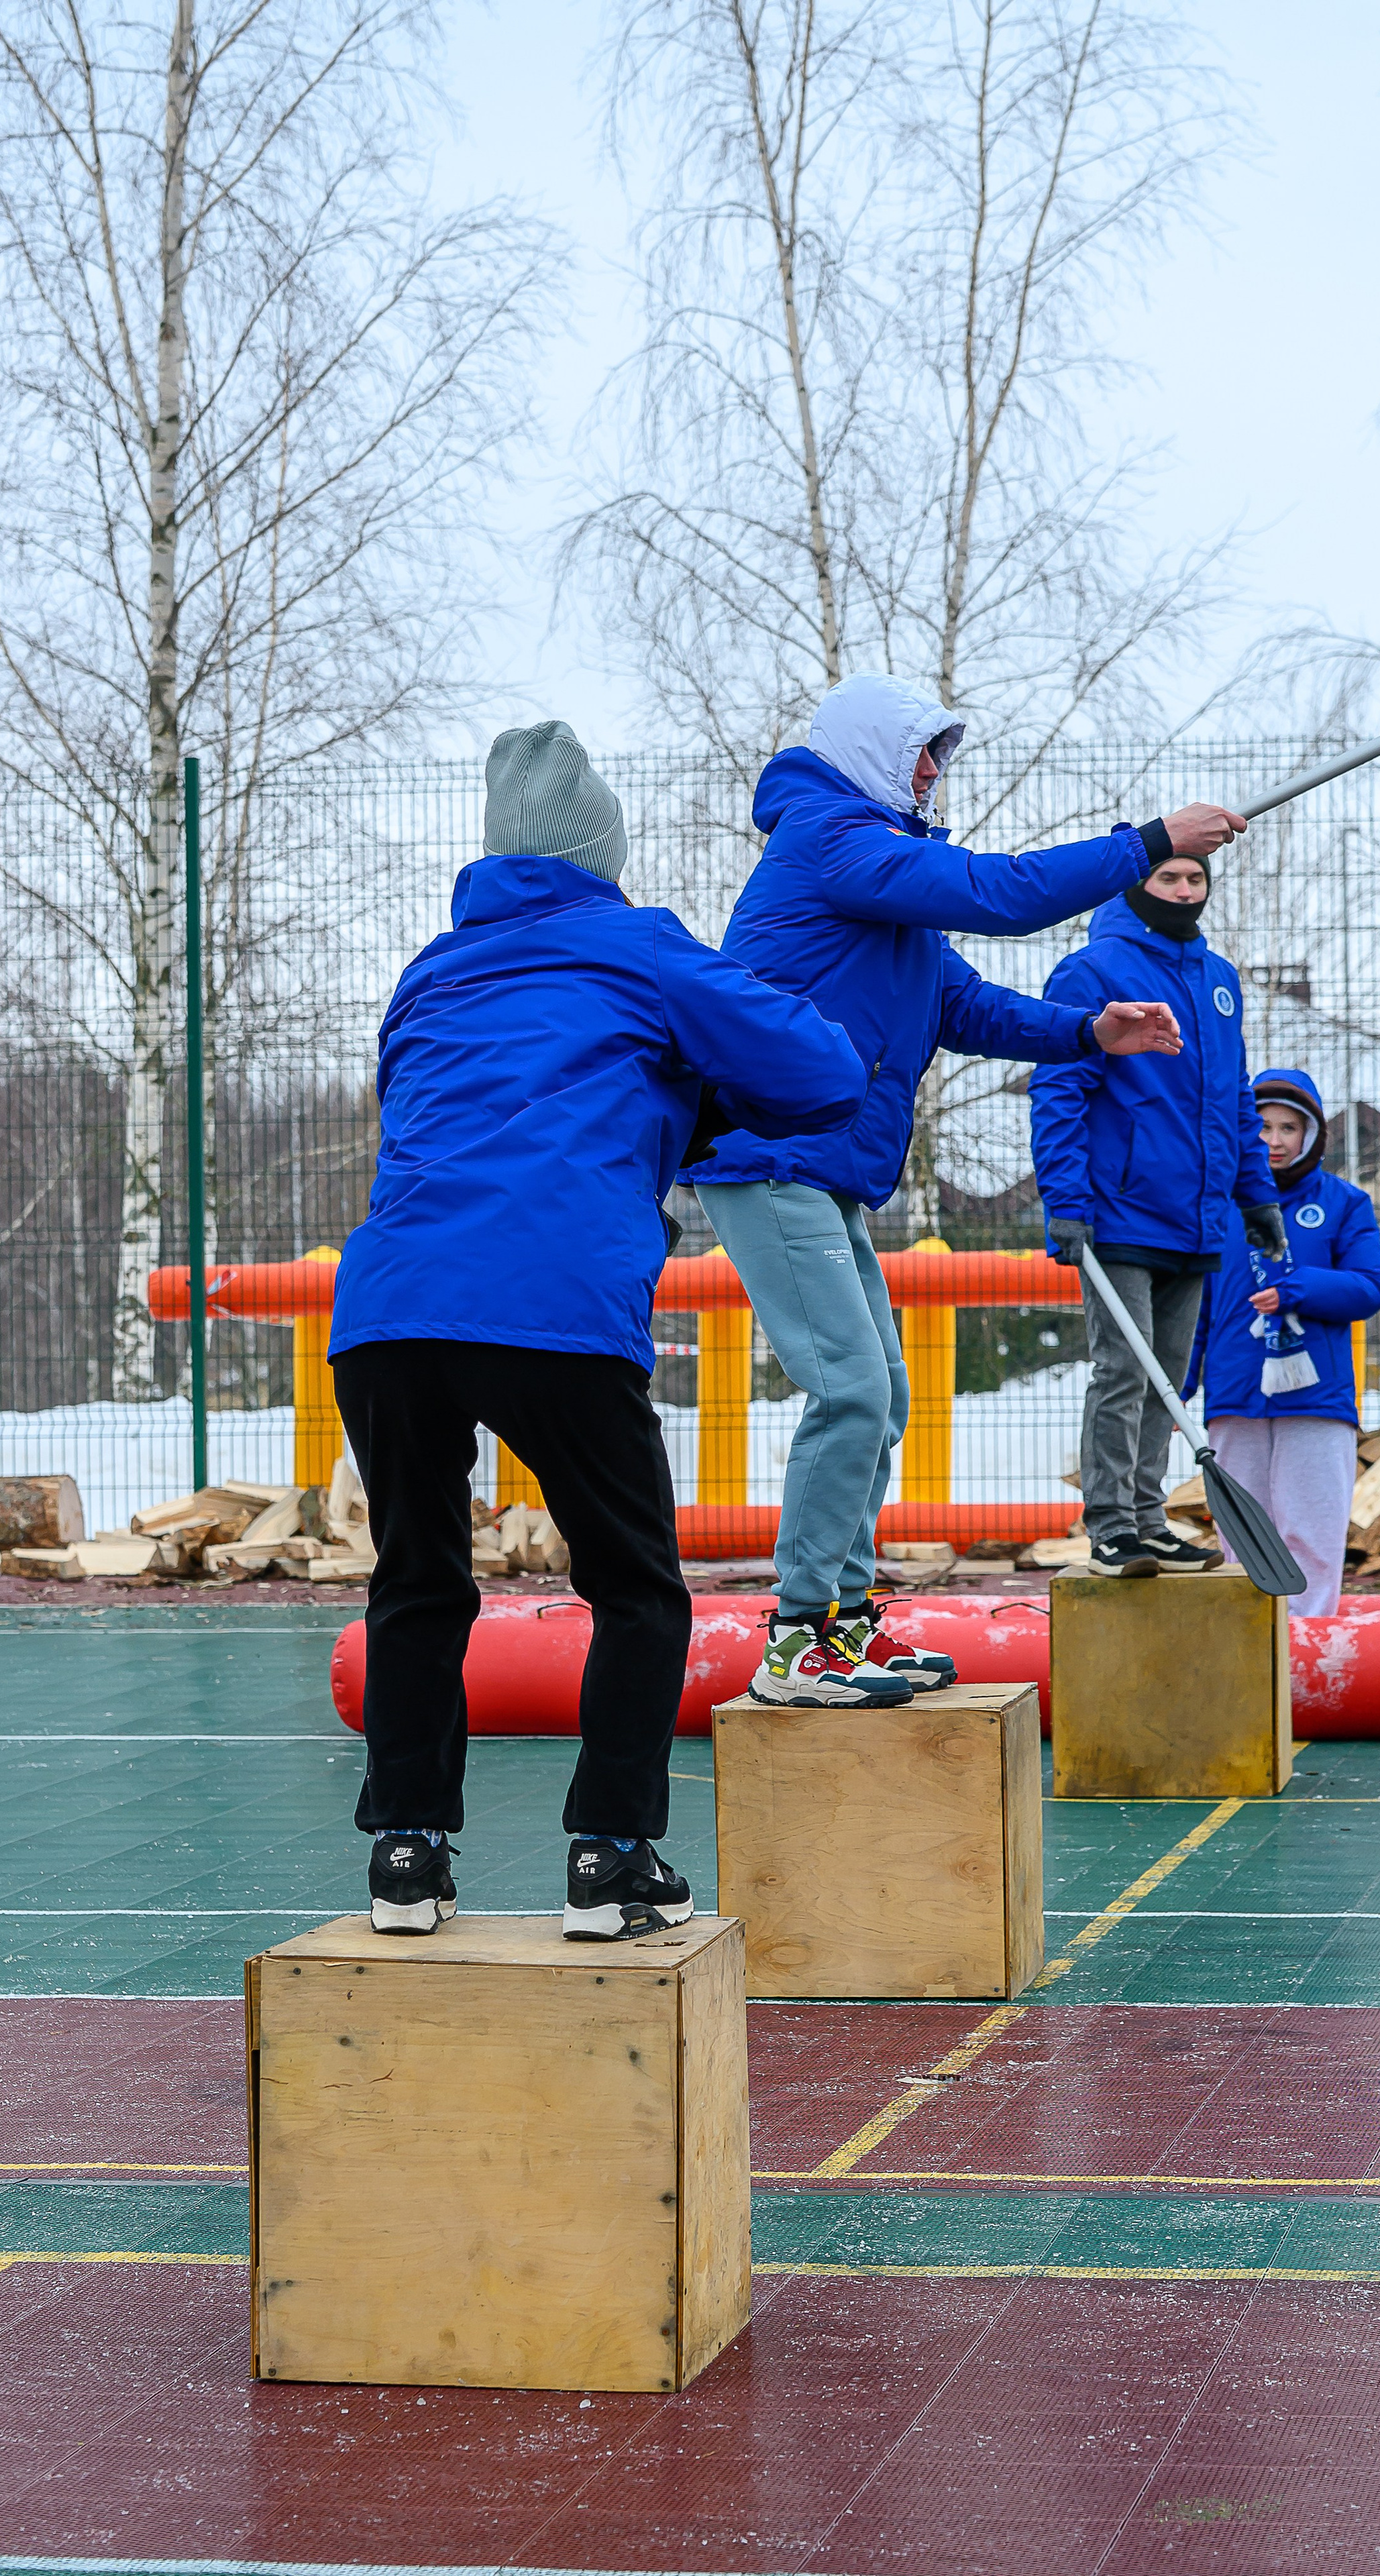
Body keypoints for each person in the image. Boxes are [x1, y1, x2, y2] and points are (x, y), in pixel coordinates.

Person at [328, 722, 865, 1940]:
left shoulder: (432, 970)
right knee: (633, 1588)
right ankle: (610, 1858)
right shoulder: (643, 945)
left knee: (417, 1579)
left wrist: (665, 1100)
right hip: (558, 1304)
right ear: (606, 853)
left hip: (391, 1307)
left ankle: (406, 1858)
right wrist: (702, 1094)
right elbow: (823, 1075)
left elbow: (444, 1105)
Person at [681, 670, 1244, 1706]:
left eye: (944, 752)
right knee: (849, 1388)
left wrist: (1086, 1032)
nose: (936, 772)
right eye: (921, 751)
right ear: (868, 753)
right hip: (766, 1157)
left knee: (880, 1394)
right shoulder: (829, 841)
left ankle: (845, 1625)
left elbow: (966, 1004)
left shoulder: (886, 884)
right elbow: (1005, 895)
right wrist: (1148, 839)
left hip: (828, 1169)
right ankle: (799, 1639)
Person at [1028, 840, 1289, 1578]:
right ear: (1138, 883)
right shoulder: (1092, 971)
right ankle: (1111, 1527)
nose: (1182, 888)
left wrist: (1254, 1195)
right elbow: (1057, 1093)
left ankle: (1148, 1520)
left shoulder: (1218, 981)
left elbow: (1233, 1098)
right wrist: (1067, 1205)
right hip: (1118, 1214)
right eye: (1168, 875)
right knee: (1123, 1371)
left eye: (1194, 877)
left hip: (1196, 1217)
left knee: (1170, 1379)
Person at [1182, 1068, 1380, 1617]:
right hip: (1234, 1393)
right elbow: (1196, 1304)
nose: (1273, 1141)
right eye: (1261, 1127)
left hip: (1316, 1399)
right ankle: (1249, 1648)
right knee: (1242, 1534)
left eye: (1288, 1128)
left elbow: (1372, 1287)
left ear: (1312, 1135)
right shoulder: (1213, 1203)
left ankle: (1310, 1649)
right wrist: (1183, 1378)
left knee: (1311, 1528)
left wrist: (1297, 1288)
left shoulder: (1346, 1203)